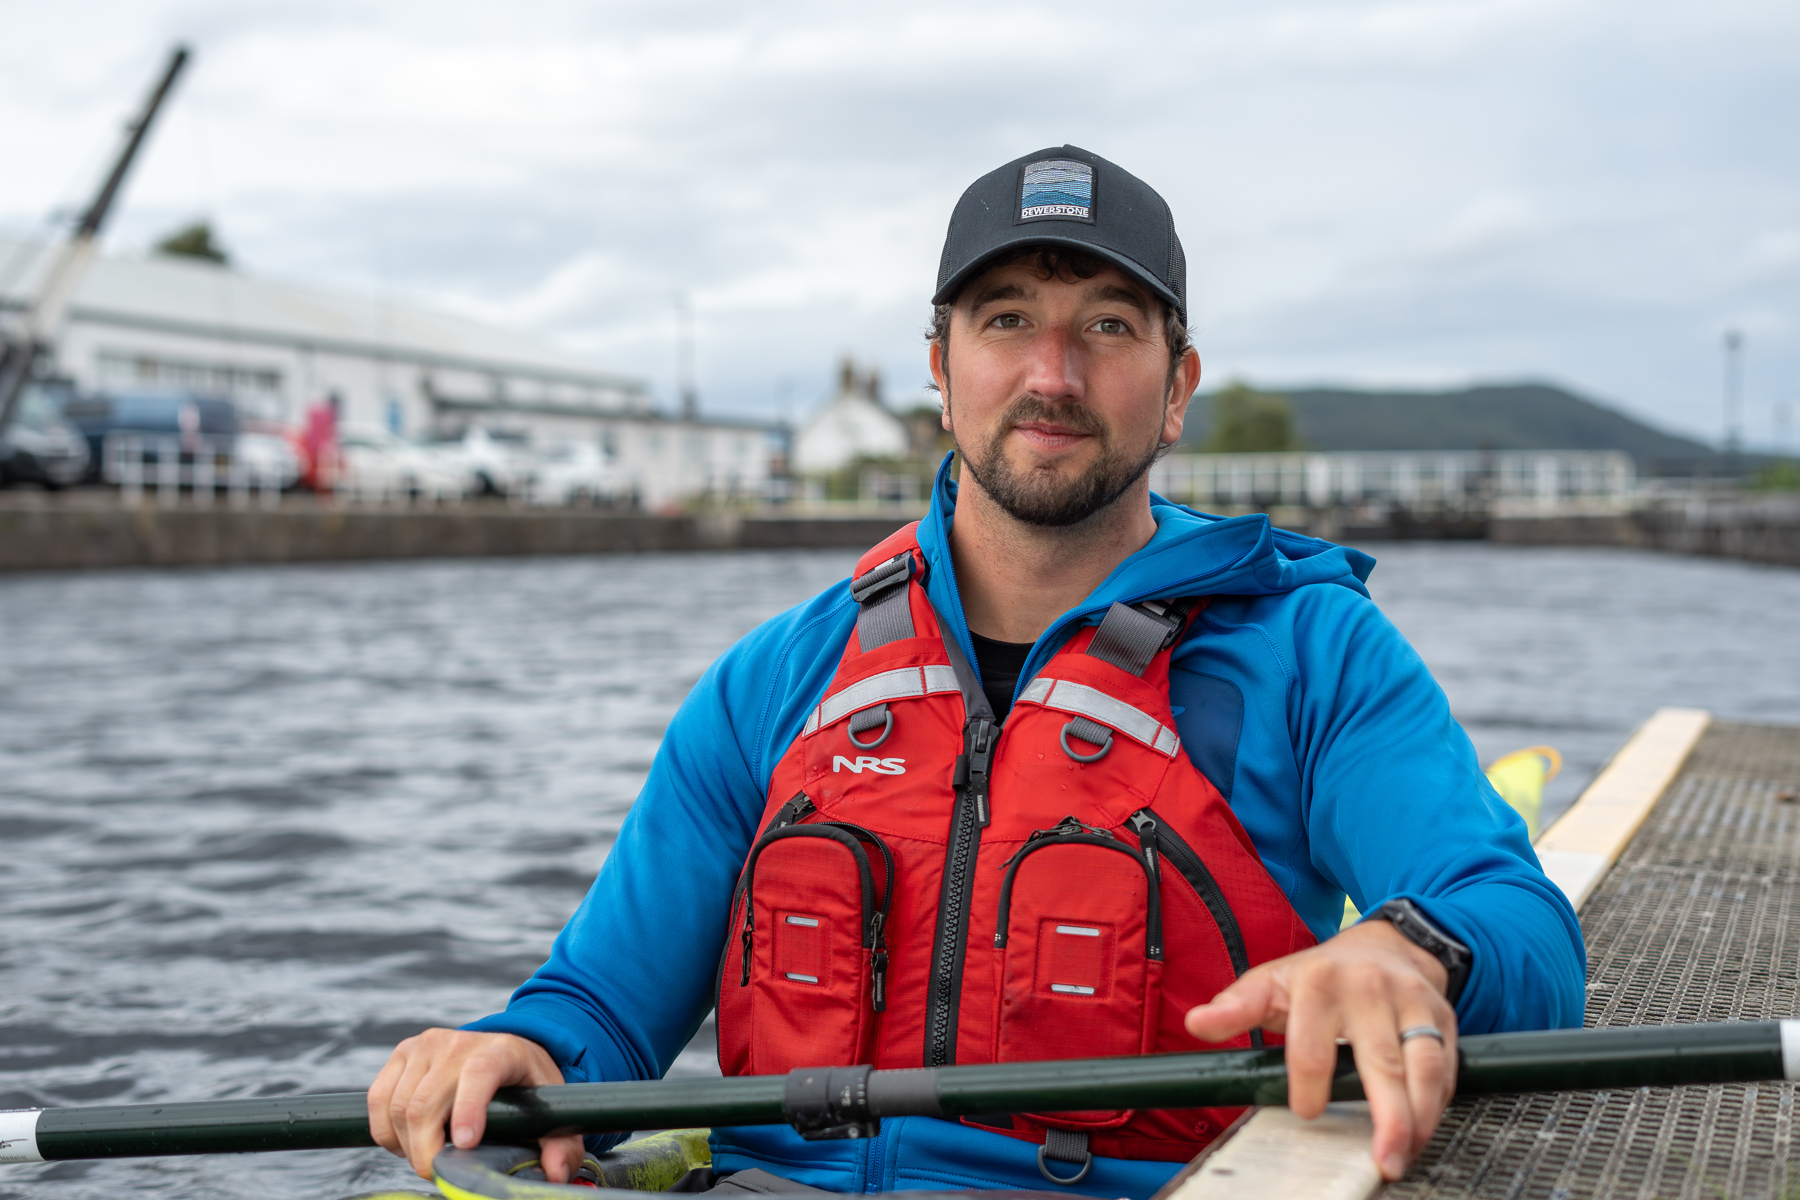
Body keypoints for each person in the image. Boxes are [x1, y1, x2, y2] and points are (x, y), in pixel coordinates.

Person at [368, 145, 1585, 1196]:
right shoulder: (776, 680)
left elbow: (1519, 933)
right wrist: (513, 1048)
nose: (1052, 374)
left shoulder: (1313, 655)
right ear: (942, 369)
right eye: (1006, 319)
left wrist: (1405, 953)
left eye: (1109, 325)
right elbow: (599, 1009)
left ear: (1177, 390)